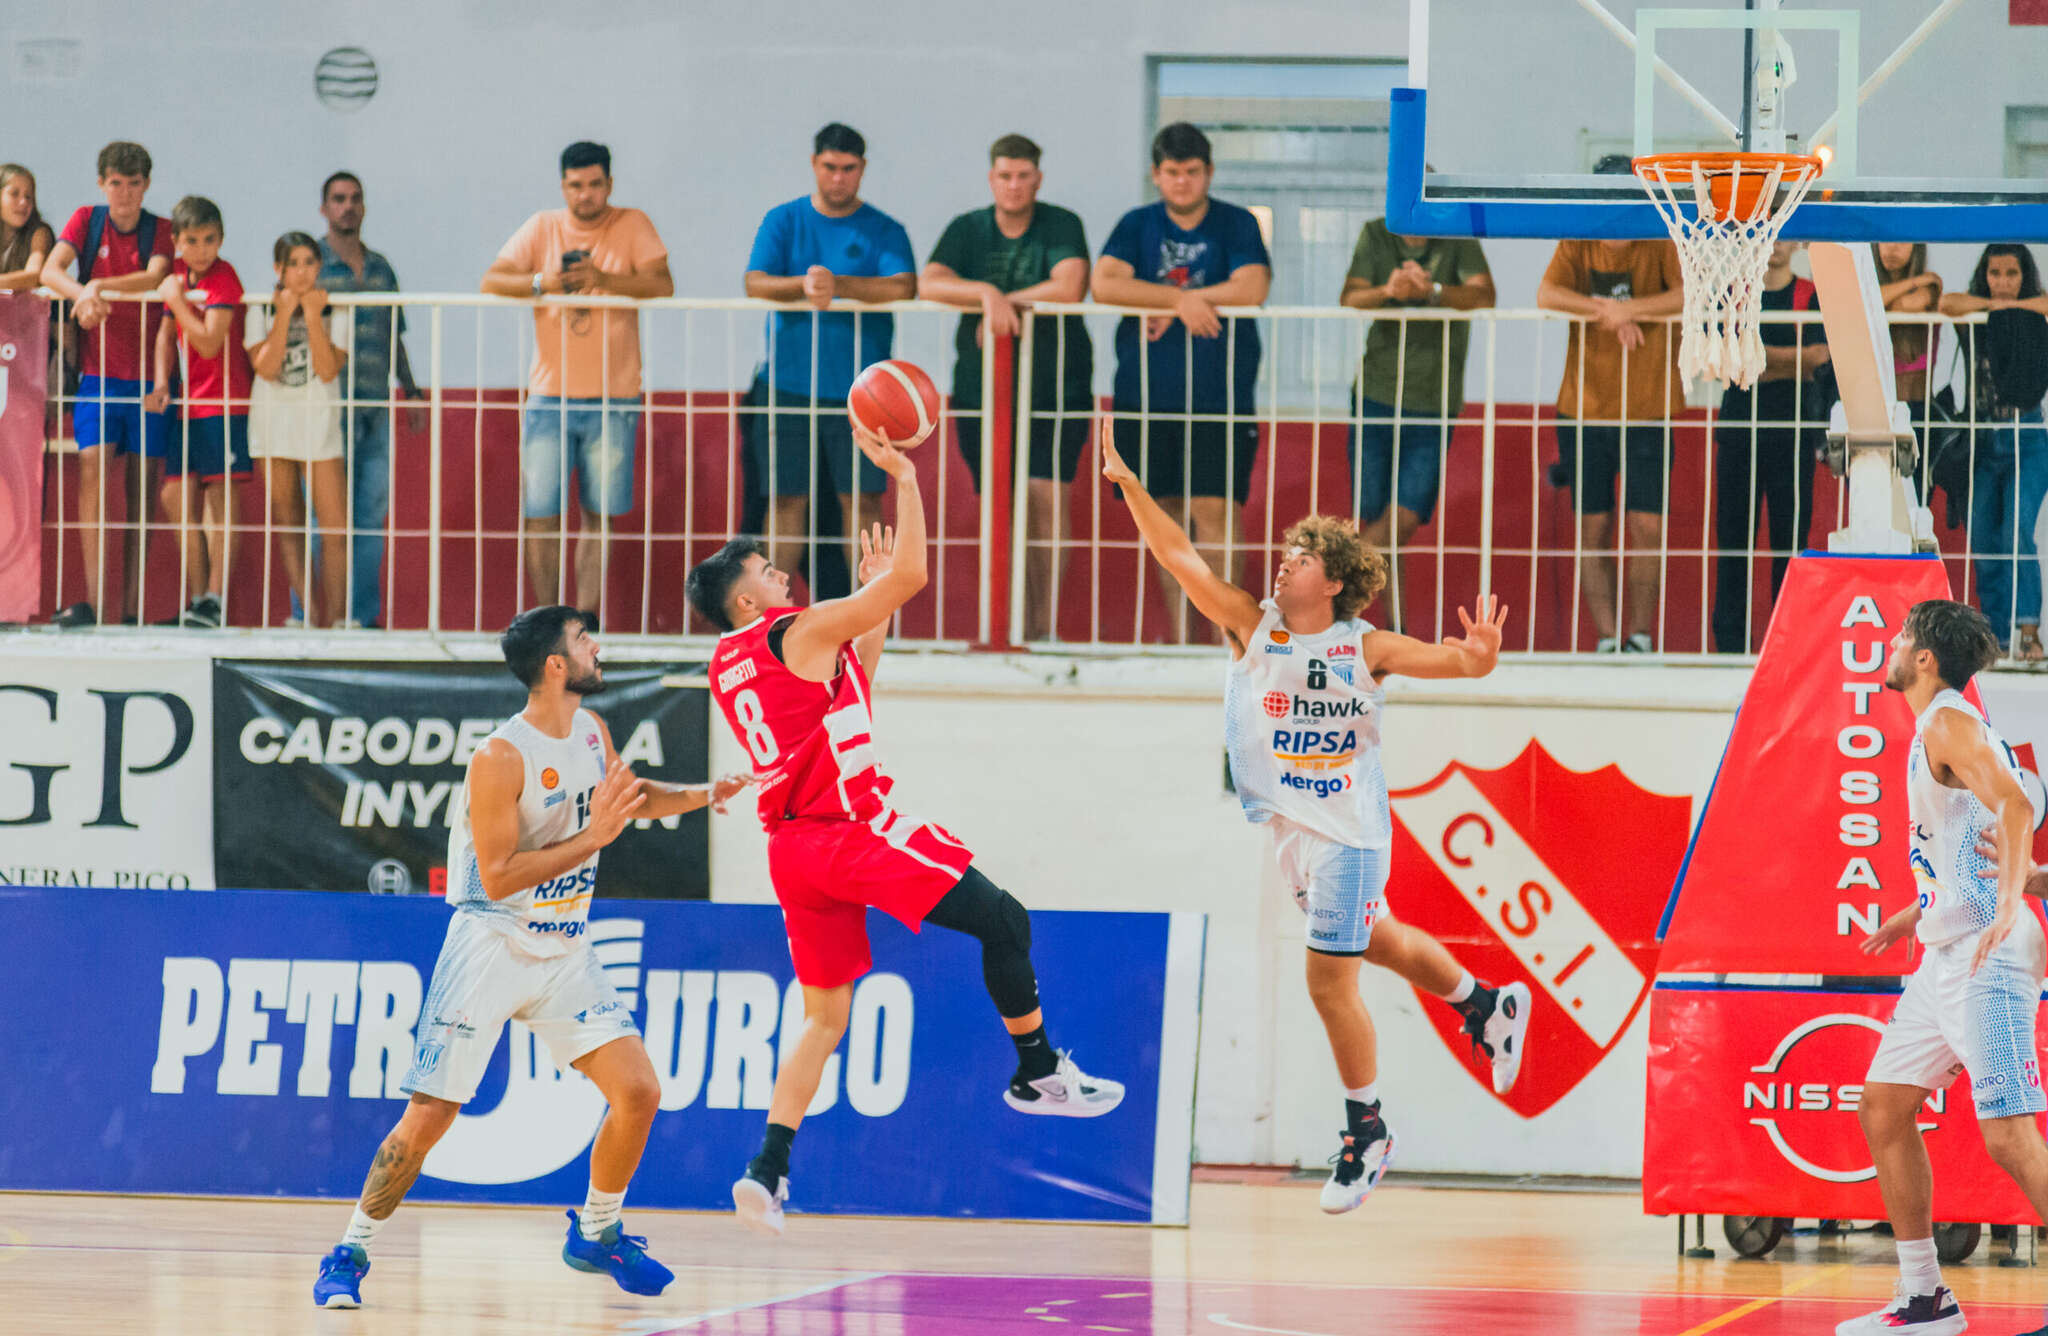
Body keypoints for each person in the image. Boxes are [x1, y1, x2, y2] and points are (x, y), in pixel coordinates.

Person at [685, 421, 1123, 1239]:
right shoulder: (793, 630)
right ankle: (1036, 1072)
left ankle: (765, 1169)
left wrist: (870, 598)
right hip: (851, 834)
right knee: (1005, 920)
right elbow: (917, 574)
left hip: (793, 854)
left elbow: (851, 689)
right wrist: (909, 479)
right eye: (766, 571)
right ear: (748, 601)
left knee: (823, 1020)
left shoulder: (732, 662)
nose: (782, 573)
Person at [1096, 415, 1530, 1215]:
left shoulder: (1365, 647)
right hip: (1294, 839)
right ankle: (1486, 1003)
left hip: (1350, 835)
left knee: (1329, 981)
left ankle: (1367, 1134)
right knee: (1382, 941)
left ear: (1331, 582)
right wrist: (1130, 487)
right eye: (1286, 552)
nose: (1283, 562)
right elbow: (1177, 555)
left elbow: (1454, 663)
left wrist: (1477, 656)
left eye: (1299, 558)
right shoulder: (1248, 626)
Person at [311, 605, 751, 1309]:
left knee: (638, 1091)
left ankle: (597, 1234)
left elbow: (626, 800)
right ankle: (349, 1250)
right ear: (555, 665)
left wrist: (707, 795)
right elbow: (497, 874)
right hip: (491, 942)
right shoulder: (500, 757)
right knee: (429, 1117)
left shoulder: (590, 729)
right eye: (584, 640)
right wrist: (593, 839)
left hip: (564, 946)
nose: (597, 647)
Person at [1837, 600, 2048, 1336]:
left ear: (1924, 658)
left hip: (1987, 955)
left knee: (2010, 1141)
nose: (1890, 647)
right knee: (1885, 1108)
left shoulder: (1949, 722)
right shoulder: (1943, 729)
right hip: (1947, 949)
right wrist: (1920, 911)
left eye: (1900, 638)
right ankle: (1925, 1296)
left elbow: (2017, 810)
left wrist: (2007, 901)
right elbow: (1970, 835)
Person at [1092, 121, 1271, 644]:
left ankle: (1228, 641)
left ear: (1208, 173)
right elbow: (1105, 283)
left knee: (1214, 512)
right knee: (1164, 519)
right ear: (1156, 174)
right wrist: (1179, 301)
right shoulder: (1137, 224)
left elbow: (1253, 286)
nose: (1182, 182)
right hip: (1147, 397)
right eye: (1172, 173)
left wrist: (1190, 300)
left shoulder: (1235, 224)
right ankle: (1179, 640)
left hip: (1221, 396)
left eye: (1192, 172)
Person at [482, 142, 673, 614]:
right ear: (562, 185)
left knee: (599, 515)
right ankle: (548, 617)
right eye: (575, 185)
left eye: (594, 185)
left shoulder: (633, 223)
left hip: (615, 396)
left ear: (609, 184)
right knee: (540, 514)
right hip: (549, 395)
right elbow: (492, 281)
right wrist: (544, 283)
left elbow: (661, 283)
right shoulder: (543, 226)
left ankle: (585, 619)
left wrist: (604, 279)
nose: (585, 195)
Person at [921, 133, 1092, 642]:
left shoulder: (1060, 224)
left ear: (1037, 178)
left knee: (1044, 504)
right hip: (981, 393)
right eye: (1005, 176)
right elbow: (928, 283)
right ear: (991, 178)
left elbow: (1070, 285)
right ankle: (1005, 630)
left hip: (1055, 389)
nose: (1014, 185)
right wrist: (985, 292)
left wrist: (1008, 303)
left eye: (1023, 176)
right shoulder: (968, 228)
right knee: (1000, 509)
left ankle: (1040, 631)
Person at [742, 123, 917, 603]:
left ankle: (870, 614)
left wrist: (839, 285)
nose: (839, 178)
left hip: (865, 394)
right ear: (814, 164)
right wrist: (803, 285)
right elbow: (755, 282)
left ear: (862, 169)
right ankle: (770, 620)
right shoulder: (784, 220)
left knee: (862, 501)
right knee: (783, 501)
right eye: (830, 167)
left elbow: (903, 286)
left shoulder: (884, 229)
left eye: (849, 168)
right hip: (788, 383)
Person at [39, 141, 174, 628]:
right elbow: (49, 270)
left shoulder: (161, 229)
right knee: (92, 472)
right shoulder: (86, 219)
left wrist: (98, 289)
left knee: (143, 496)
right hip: (97, 376)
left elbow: (157, 275)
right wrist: (80, 292)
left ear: (147, 185)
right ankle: (97, 609)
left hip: (148, 382)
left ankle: (133, 611)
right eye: (115, 183)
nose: (124, 194)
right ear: (102, 183)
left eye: (133, 184)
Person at [1337, 217, 1493, 633]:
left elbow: (1485, 295)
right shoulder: (1374, 232)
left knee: (1400, 522)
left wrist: (1434, 290)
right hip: (1375, 392)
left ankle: (1323, 598)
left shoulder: (1456, 236)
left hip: (1434, 398)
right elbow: (1350, 298)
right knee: (1379, 524)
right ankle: (1397, 634)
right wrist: (1391, 290)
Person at [1535, 232, 1684, 652]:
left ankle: (1638, 637)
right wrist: (1610, 312)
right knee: (1593, 525)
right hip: (1582, 407)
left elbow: (1687, 297)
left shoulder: (1658, 241)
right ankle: (1606, 638)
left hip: (1649, 407)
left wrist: (1629, 309)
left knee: (1648, 526)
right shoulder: (1575, 241)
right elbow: (1547, 294)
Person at [318, 171, 425, 629]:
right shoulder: (312, 265)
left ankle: (360, 618)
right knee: (323, 516)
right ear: (324, 208)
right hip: (326, 408)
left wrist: (412, 389)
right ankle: (316, 616)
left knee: (369, 515)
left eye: (355, 199)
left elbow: (392, 336)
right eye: (339, 199)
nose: (348, 206)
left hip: (375, 406)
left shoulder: (382, 268)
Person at [1710, 241, 1828, 654]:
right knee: (1733, 545)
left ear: (1797, 242)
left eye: (1781, 234)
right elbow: (1723, 359)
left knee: (1789, 546)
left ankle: (1785, 649)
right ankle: (1729, 648)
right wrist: (1788, 361)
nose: (1774, 244)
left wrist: (1753, 360)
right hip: (1738, 433)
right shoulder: (1731, 293)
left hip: (1792, 436)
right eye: (1766, 233)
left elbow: (1818, 357)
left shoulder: (1811, 294)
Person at [149, 196, 253, 629]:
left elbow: (210, 341)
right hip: (187, 404)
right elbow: (164, 335)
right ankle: (198, 600)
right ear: (177, 241)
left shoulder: (224, 277)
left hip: (223, 403)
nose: (202, 249)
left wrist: (176, 301)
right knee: (174, 496)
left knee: (219, 499)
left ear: (221, 240)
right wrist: (159, 381)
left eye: (210, 240)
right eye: (192, 241)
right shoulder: (176, 275)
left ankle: (214, 597)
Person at [1941, 245, 2048, 661]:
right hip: (1982, 438)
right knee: (1984, 539)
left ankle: (2027, 633)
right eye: (1995, 272)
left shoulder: (2034, 313)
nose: (2002, 282)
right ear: (1983, 275)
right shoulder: (1978, 313)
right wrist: (1996, 306)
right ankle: (1996, 639)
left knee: (2016, 532)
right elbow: (1948, 303)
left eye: (2011, 273)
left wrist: (2012, 308)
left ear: (2025, 276)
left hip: (2028, 435)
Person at [249, 233, 348, 627]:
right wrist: (286, 314)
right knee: (289, 521)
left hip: (319, 421)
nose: (303, 271)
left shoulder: (336, 308)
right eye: (294, 263)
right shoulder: (260, 307)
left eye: (310, 262)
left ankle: (338, 620)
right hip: (273, 422)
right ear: (279, 269)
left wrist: (310, 315)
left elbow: (327, 369)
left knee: (335, 527)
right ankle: (310, 615)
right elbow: (267, 367)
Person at [1873, 242, 1942, 414]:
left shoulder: (1930, 284)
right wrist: (1914, 282)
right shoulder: (1922, 281)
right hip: (1877, 409)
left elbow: (1907, 303)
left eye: (1903, 241)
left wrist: (1883, 305)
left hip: (1918, 410)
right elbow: (1869, 301)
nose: (1892, 247)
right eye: (1884, 240)